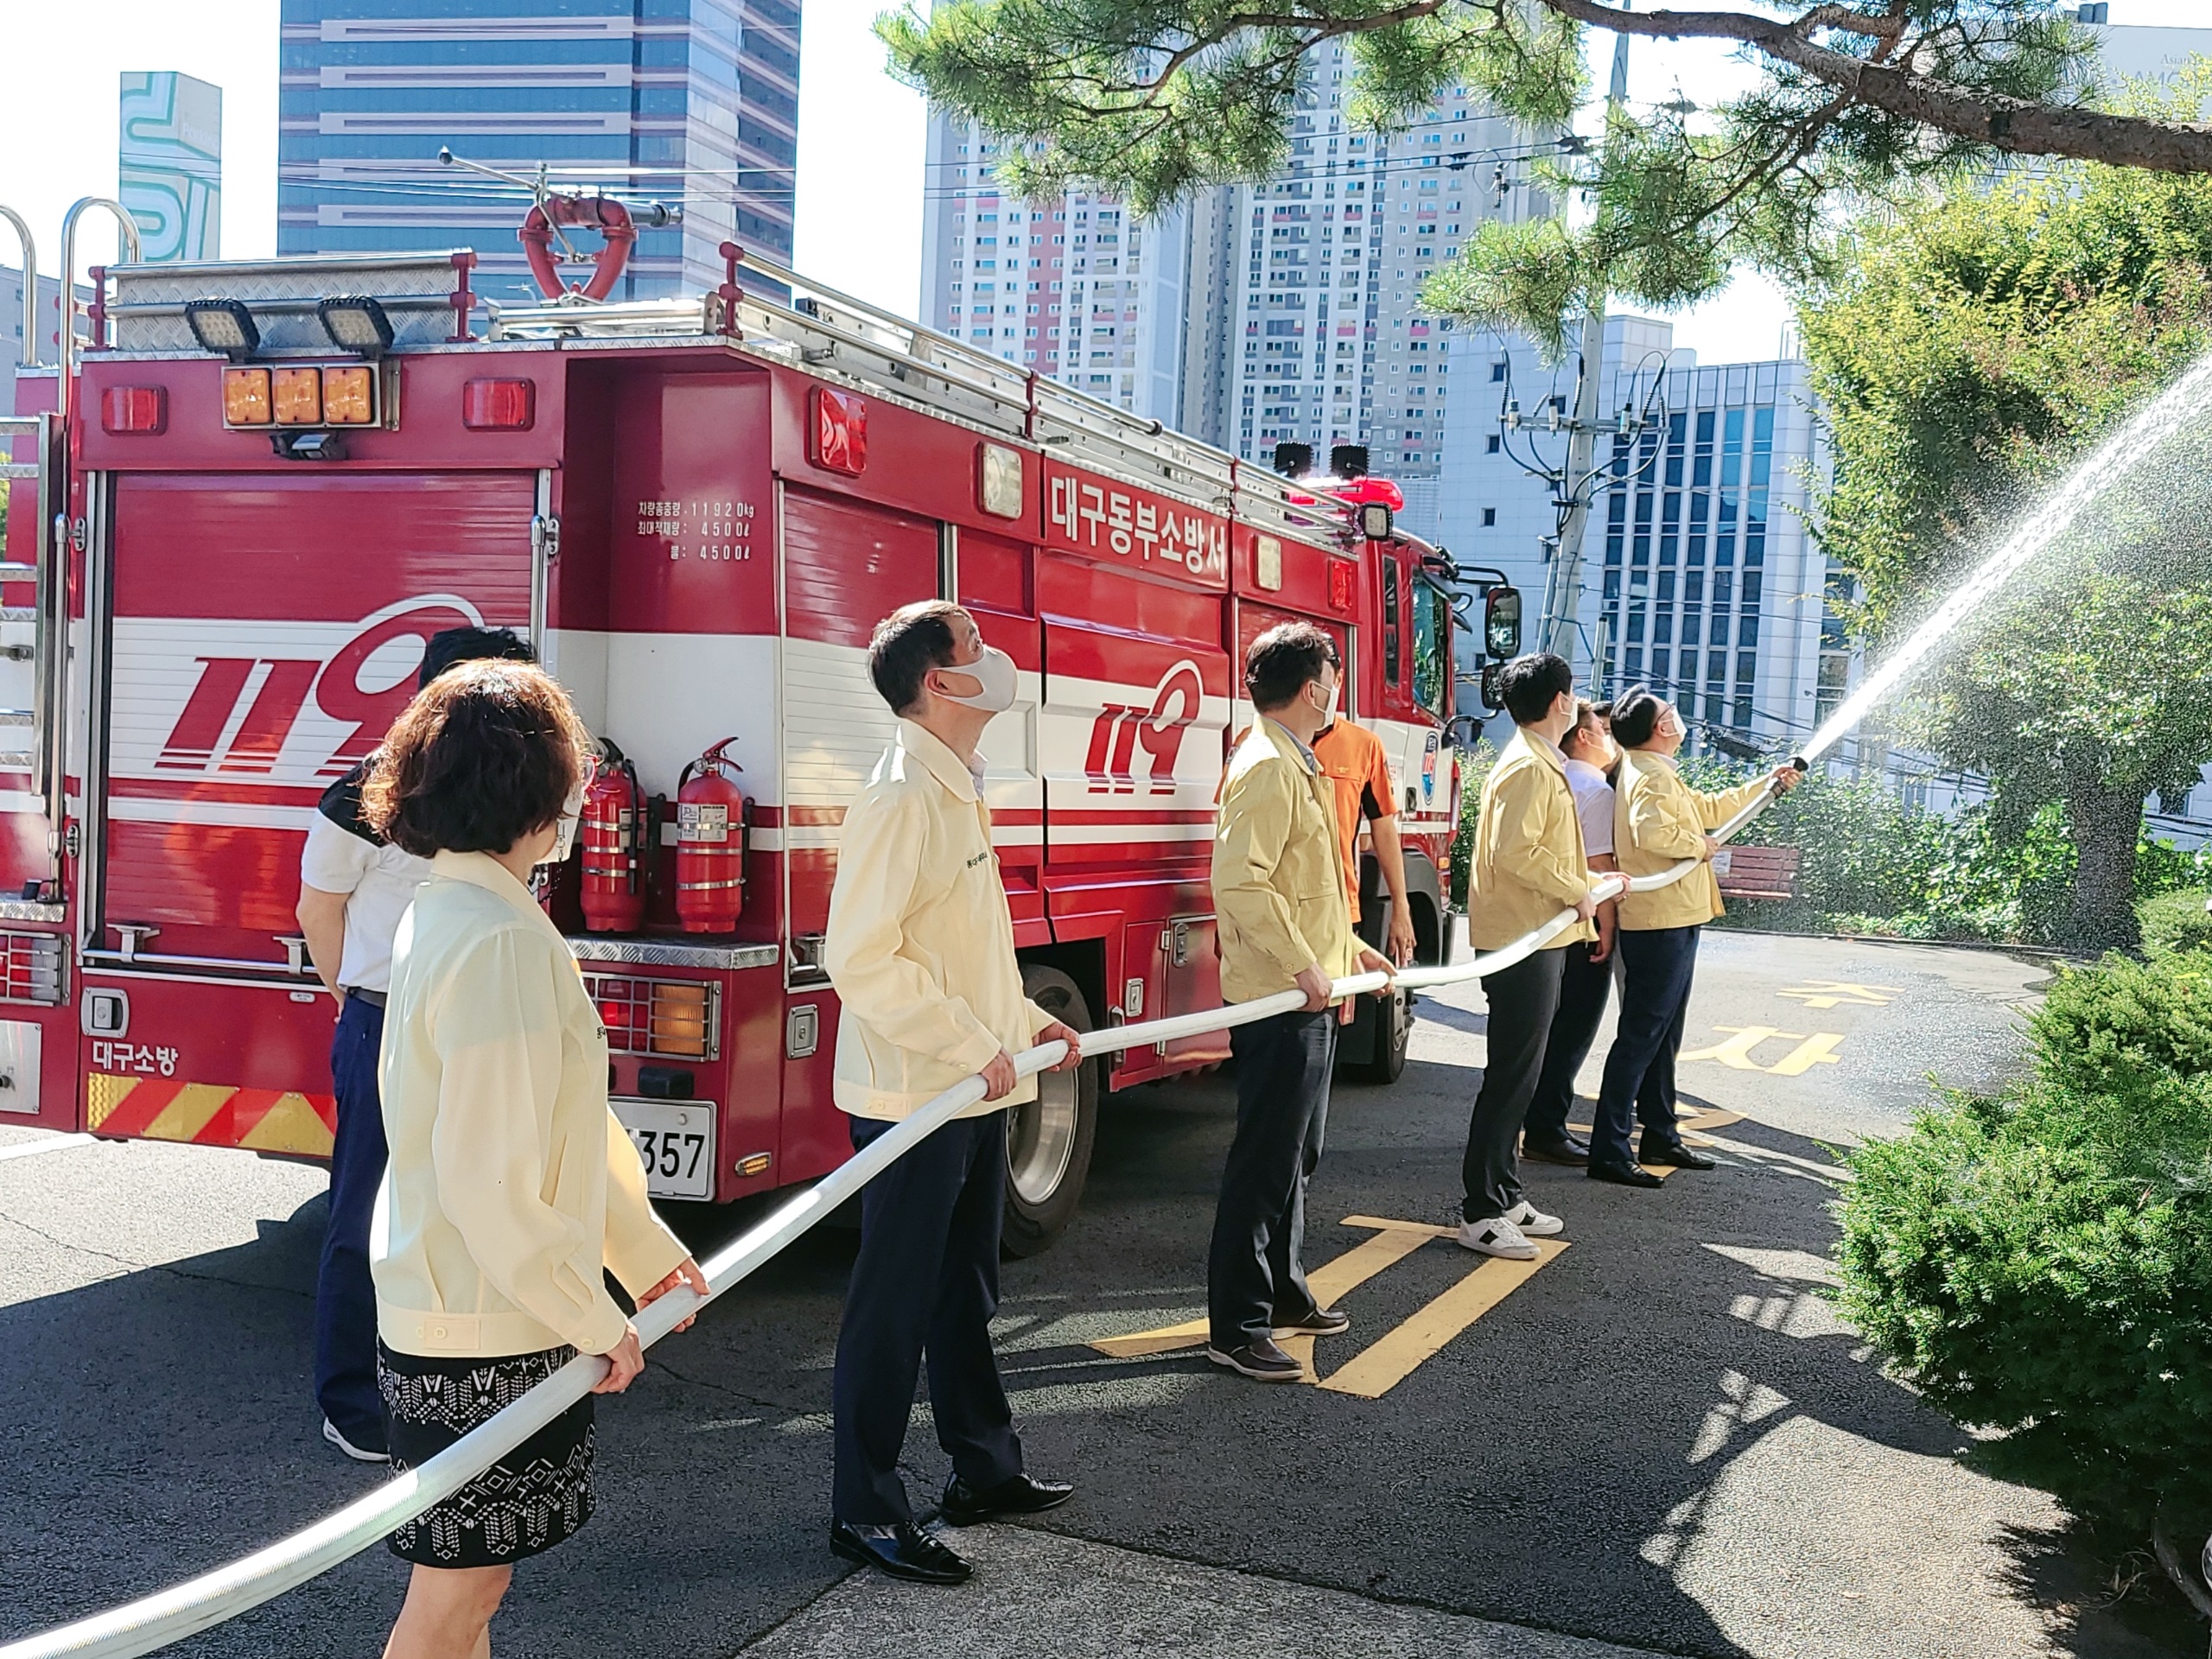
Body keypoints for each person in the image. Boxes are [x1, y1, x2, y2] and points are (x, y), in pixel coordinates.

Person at [363, 659, 709, 1659]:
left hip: (459, 1299)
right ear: (537, 788)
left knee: (472, 1588)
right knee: (459, 1594)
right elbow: (493, 1176)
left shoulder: (451, 907)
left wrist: (642, 1257)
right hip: (482, 1318)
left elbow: (560, 1130)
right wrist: (592, 1313)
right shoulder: (501, 938)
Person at [823, 601, 1084, 1586]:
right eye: (975, 644)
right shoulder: (900, 795)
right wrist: (977, 1045)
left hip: (970, 1085)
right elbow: (862, 958)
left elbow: (967, 949)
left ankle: (983, 1469)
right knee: (892, 1309)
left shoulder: (956, 784)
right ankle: (866, 1511)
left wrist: (1022, 1025)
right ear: (939, 681)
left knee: (964, 1292)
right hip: (917, 1097)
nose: (995, 655)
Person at [297, 626, 536, 1465]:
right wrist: (353, 999)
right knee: (364, 1211)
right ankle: (353, 1404)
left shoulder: (513, 795)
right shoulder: (365, 793)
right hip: (384, 1017)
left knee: (471, 1208)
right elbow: (317, 909)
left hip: (479, 1019)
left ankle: (448, 1389)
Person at [1207, 622, 1395, 1382]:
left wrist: (1350, 950)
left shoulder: (1292, 758)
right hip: (1279, 997)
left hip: (1306, 987)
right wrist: (1301, 963)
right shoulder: (1267, 766)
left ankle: (1283, 1293)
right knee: (1265, 1163)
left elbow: (1302, 886)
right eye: (1334, 679)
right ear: (1314, 689)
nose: (1338, 692)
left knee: (1295, 1155)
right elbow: (1241, 881)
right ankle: (1236, 1326)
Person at [1591, 687, 1802, 1184]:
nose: (1677, 717)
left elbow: (1708, 808)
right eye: (1670, 712)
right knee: (1642, 1036)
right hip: (1661, 921)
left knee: (1662, 1035)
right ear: (1662, 728)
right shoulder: (1650, 777)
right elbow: (1654, 834)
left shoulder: (1655, 771)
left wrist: (1766, 785)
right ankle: (1610, 1150)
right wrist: (1700, 847)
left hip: (1672, 917)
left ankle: (1660, 1134)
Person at [1457, 653, 1599, 1261]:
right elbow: (1518, 853)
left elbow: (1537, 850)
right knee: (1512, 1075)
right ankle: (1482, 1211)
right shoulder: (1529, 767)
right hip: (1522, 939)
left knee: (1523, 1073)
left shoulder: (1538, 760)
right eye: (1574, 693)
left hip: (1536, 934)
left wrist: (1582, 885)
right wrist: (1576, 888)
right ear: (1561, 701)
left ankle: (1506, 1195)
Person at [1521, 700, 1620, 1166]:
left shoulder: (1554, 776)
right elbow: (1599, 864)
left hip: (1541, 921)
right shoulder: (1596, 789)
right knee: (1573, 1029)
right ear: (1583, 736)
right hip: (1580, 920)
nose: (1609, 739)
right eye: (1603, 729)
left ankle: (1529, 1123)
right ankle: (1547, 1128)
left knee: (1542, 1030)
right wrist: (1606, 926)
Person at [1312, 717, 1419, 969]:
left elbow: (1384, 828)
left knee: (1339, 993)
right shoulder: (1255, 742)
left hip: (1339, 907)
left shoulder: (1364, 745)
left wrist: (1400, 906)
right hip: (1276, 907)